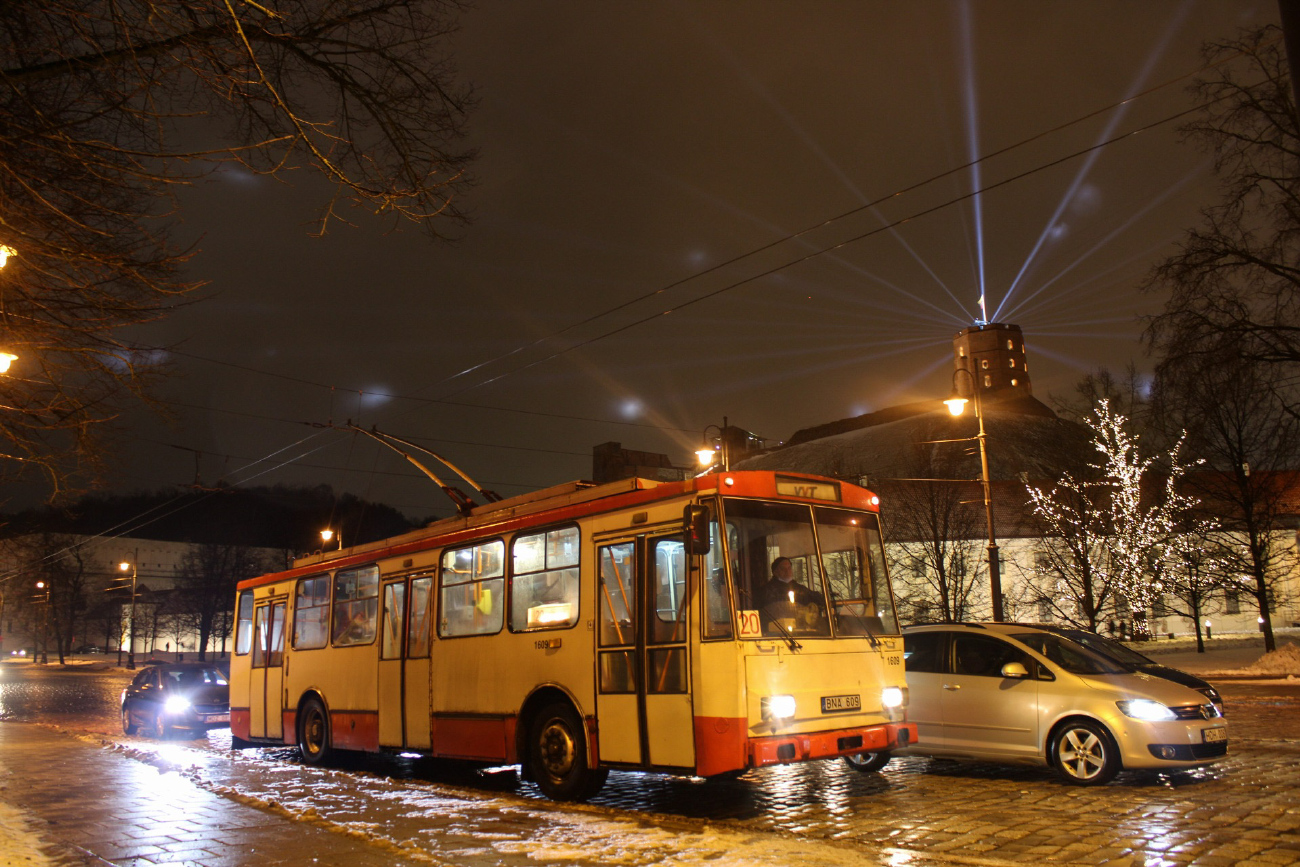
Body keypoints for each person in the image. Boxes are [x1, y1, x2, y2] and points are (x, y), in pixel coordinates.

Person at [757, 556, 822, 611]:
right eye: (783, 569)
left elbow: (817, 598)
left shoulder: (799, 588)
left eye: (789, 568)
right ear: (775, 572)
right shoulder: (768, 590)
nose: (787, 571)